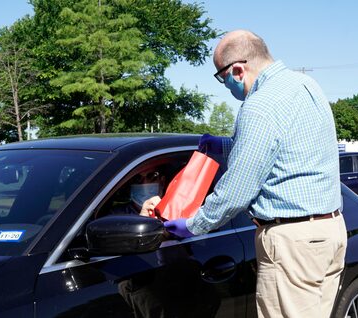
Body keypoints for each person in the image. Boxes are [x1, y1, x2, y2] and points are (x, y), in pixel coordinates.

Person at [147, 29, 347, 317]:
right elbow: (282, 149)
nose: (225, 85)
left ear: (237, 70)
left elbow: (235, 192)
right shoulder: (305, 85)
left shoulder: (260, 105)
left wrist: (192, 225)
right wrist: (225, 145)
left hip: (292, 243)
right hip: (330, 232)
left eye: (221, 77)